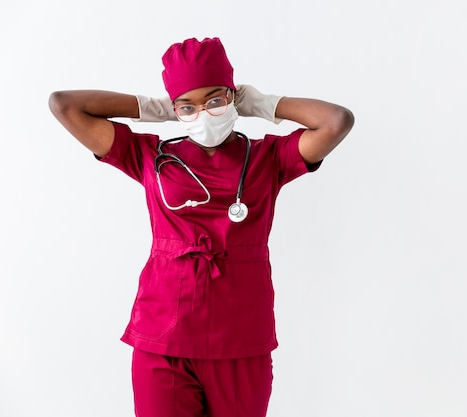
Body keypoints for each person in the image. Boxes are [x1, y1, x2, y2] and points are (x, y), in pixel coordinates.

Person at [48, 37, 354, 417]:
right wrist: (153, 109)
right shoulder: (151, 156)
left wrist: (261, 103)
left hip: (241, 338)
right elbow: (65, 105)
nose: (204, 114)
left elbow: (336, 121)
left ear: (232, 96)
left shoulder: (268, 157)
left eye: (214, 100)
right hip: (163, 336)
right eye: (187, 106)